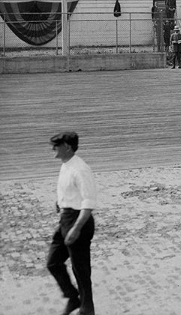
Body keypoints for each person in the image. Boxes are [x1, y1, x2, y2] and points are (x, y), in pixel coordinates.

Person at [47, 131, 97, 315]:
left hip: (79, 222)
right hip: (65, 219)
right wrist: (60, 203)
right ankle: (73, 297)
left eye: (56, 145)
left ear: (67, 147)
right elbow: (70, 190)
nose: (53, 149)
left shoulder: (80, 169)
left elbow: (88, 202)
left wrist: (76, 229)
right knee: (53, 263)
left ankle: (87, 309)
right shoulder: (66, 164)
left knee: (81, 270)